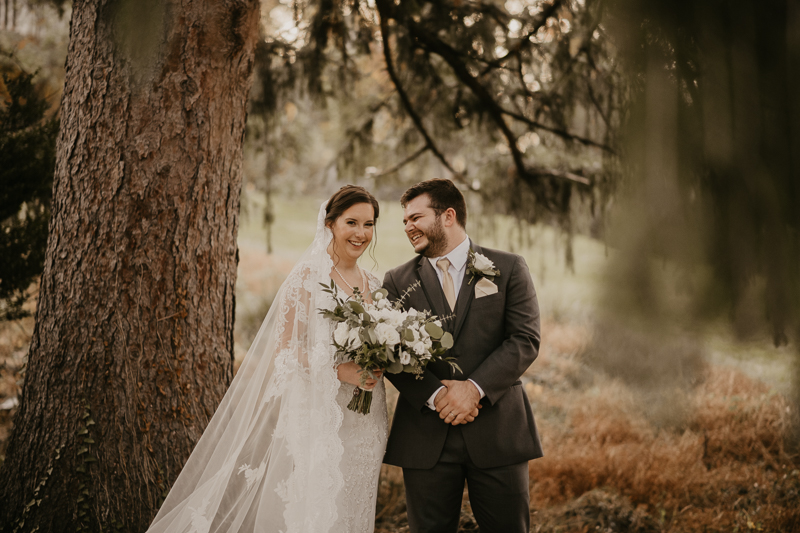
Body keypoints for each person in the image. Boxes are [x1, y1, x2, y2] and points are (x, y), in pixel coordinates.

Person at [145, 185, 387, 533]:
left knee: (355, 503)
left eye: (369, 224)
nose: (361, 233)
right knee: (316, 508)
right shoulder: (305, 279)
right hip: (318, 413)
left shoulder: (375, 285)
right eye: (352, 222)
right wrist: (340, 372)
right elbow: (286, 351)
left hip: (366, 420)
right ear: (330, 224)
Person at [382, 178, 543, 533]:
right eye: (405, 220)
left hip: (499, 432)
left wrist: (474, 388)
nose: (408, 226)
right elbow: (389, 351)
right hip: (426, 437)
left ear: (448, 216)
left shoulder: (509, 267)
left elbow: (525, 338)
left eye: (416, 217)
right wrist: (437, 395)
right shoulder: (396, 281)